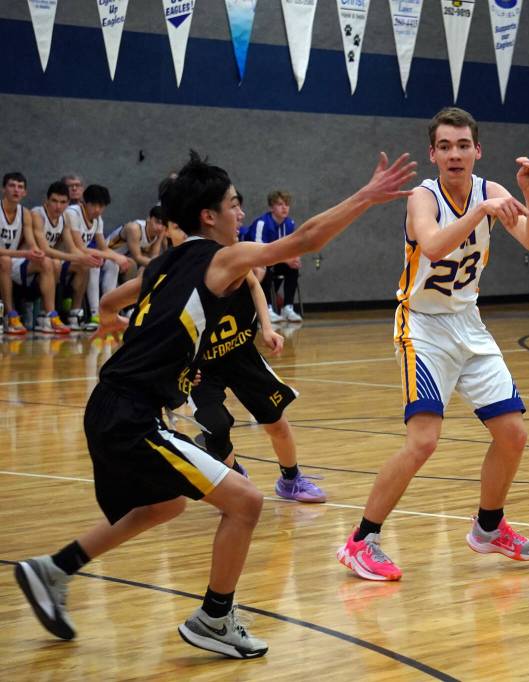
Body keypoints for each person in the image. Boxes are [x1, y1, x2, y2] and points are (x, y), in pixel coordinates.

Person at [13, 149, 416, 658]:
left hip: (116, 403)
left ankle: (54, 569)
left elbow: (112, 305)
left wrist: (156, 347)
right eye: (232, 204)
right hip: (131, 413)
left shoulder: (165, 264)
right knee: (246, 501)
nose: (241, 213)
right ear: (208, 216)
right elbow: (306, 239)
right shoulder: (218, 257)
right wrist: (367, 195)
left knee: (165, 503)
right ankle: (215, 618)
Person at [337, 107, 529, 581]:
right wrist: (481, 211)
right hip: (423, 327)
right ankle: (360, 540)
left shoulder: (491, 191)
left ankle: (489, 529)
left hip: (469, 325)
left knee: (513, 433)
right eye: (446, 146)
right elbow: (432, 246)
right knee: (424, 442)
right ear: (433, 154)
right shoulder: (422, 197)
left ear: (478, 150)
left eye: (463, 145)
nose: (455, 154)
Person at [160, 219, 327, 503]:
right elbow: (163, 330)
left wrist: (267, 326)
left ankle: (290, 479)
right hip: (201, 366)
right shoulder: (171, 275)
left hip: (240, 353)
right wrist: (178, 368)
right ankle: (233, 472)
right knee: (215, 425)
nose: (237, 217)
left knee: (276, 421)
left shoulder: (227, 256)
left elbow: (253, 284)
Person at [0, 172, 70, 334]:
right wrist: (24, 254)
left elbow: (32, 244)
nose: (16, 190)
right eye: (11, 186)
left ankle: (49, 317)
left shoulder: (25, 213)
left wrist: (36, 253)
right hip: (8, 259)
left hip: (13, 261)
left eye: (20, 187)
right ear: (4, 189)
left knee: (46, 262)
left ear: (25, 192)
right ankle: (11, 316)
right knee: (4, 260)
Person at [31, 181, 103, 328]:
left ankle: (74, 313)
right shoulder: (37, 214)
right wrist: (80, 257)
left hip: (50, 262)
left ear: (68, 203)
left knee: (82, 266)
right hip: (26, 262)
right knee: (53, 262)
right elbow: (45, 249)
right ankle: (46, 314)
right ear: (47, 200)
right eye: (54, 201)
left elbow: (72, 248)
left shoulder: (64, 218)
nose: (58, 206)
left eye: (63, 202)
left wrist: (84, 259)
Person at [64, 185, 130, 331]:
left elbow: (103, 247)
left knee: (112, 264)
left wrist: (116, 257)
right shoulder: (72, 213)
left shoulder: (98, 220)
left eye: (101, 206)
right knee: (94, 261)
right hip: (66, 256)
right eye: (94, 205)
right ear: (84, 202)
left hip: (81, 257)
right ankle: (95, 314)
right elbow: (79, 247)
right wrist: (114, 256)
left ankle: (110, 311)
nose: (97, 210)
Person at [243, 190, 302, 323]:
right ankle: (267, 308)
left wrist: (295, 257)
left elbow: (291, 246)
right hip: (255, 261)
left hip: (275, 260)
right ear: (271, 207)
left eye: (287, 204)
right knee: (265, 267)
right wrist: (286, 259)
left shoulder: (290, 223)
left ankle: (287, 307)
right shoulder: (262, 223)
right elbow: (258, 253)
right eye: (280, 204)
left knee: (293, 268)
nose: (284, 208)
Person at [106, 205, 168, 278]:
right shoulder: (135, 229)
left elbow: (153, 256)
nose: (160, 227)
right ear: (148, 218)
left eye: (163, 224)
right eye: (157, 222)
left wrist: (160, 238)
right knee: (133, 265)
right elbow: (137, 257)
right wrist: (160, 265)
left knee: (145, 268)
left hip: (128, 259)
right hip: (110, 254)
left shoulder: (158, 233)